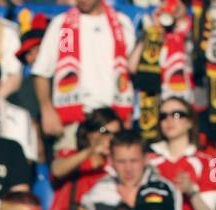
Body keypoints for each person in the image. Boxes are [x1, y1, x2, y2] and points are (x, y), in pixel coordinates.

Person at [30, 0, 137, 142]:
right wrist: (47, 110)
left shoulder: (122, 23)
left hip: (114, 118)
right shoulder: (62, 25)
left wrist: (128, 113)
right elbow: (42, 71)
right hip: (73, 118)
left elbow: (131, 68)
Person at [147, 98, 216, 210]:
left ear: (190, 122)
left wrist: (192, 191)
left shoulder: (212, 160)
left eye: (177, 114)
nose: (169, 120)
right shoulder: (148, 159)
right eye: (163, 116)